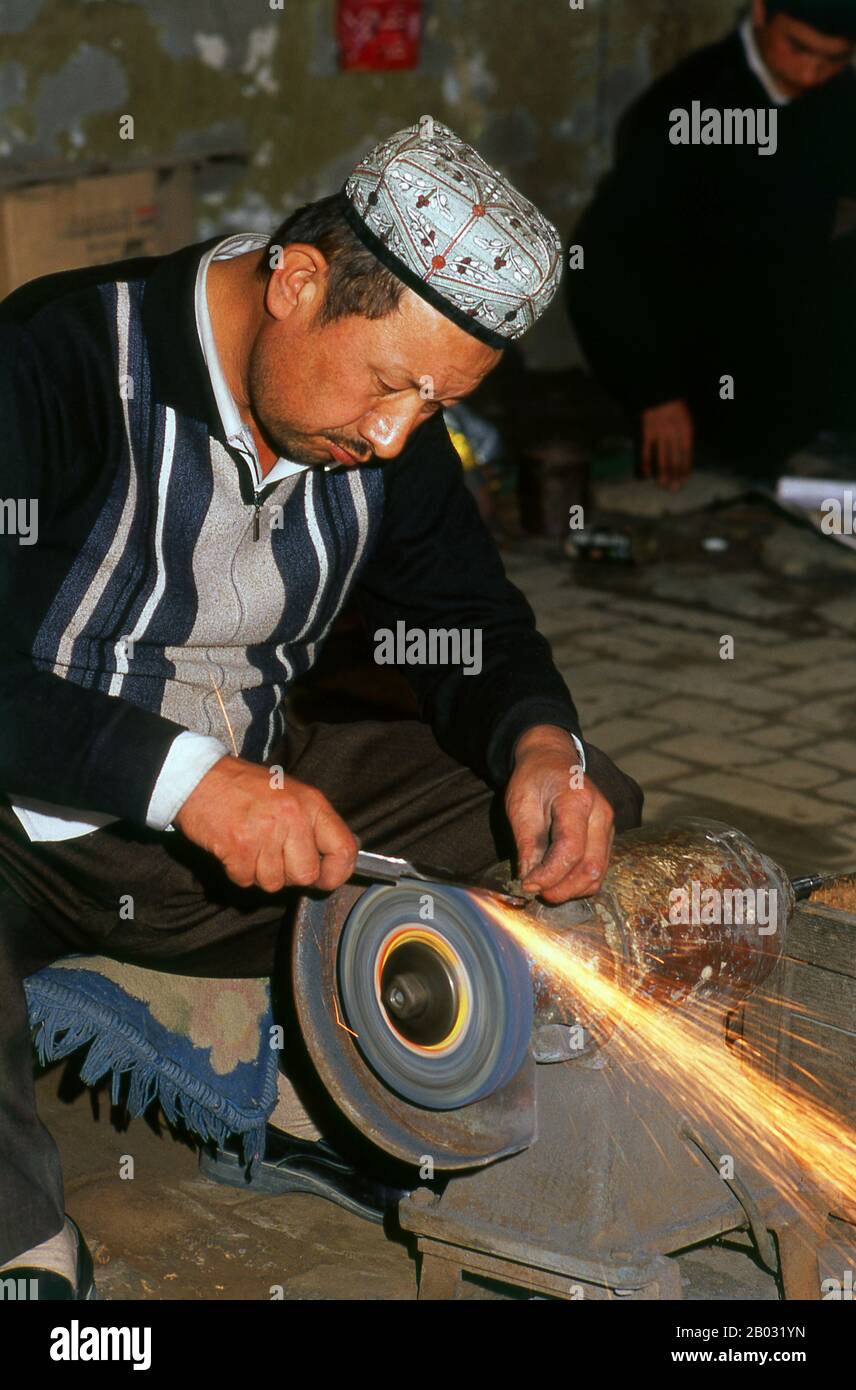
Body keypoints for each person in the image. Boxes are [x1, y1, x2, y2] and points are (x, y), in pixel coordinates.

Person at [0, 118, 642, 1298]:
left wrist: (542, 741)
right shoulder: (57, 360)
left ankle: (354, 1098)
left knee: (565, 815)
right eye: (388, 383)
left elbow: (469, 618)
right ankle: (18, 1240)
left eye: (432, 404)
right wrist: (188, 781)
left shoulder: (388, 434)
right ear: (295, 283)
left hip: (252, 822)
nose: (394, 435)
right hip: (35, 842)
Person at [567, 0, 856, 490]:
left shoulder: (836, 97)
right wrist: (654, 392)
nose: (810, 73)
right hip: (698, 359)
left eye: (833, 59)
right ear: (762, 13)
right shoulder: (687, 106)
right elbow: (600, 259)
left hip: (788, 332)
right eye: (799, 48)